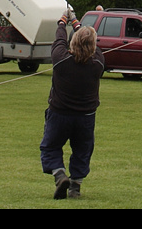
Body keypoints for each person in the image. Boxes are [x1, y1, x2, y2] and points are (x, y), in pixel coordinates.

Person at [40, 12, 105, 199]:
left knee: (50, 147)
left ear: (73, 41)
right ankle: (75, 187)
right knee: (82, 151)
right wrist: (76, 22)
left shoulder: (60, 59)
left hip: (59, 114)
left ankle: (60, 175)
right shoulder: (98, 63)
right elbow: (90, 41)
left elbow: (59, 40)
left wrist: (62, 22)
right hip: (85, 117)